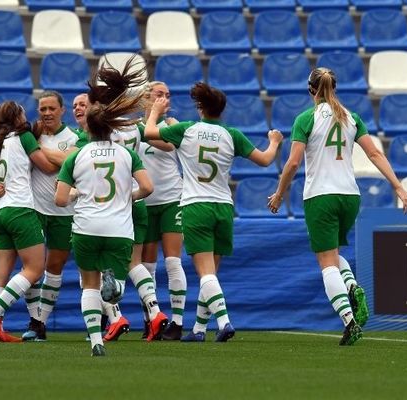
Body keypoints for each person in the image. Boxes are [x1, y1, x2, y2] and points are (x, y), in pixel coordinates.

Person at [267, 68, 407, 345]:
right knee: (333, 254)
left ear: (311, 89)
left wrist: (278, 194)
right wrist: (398, 185)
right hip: (350, 196)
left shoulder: (305, 119)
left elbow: (294, 163)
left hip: (321, 195)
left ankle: (349, 320)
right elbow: (373, 152)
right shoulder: (351, 117)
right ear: (334, 88)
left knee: (325, 262)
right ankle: (352, 286)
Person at [144, 82, 283, 342]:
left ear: (200, 108)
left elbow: (150, 132)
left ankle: (224, 321)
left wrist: (155, 111)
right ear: (221, 110)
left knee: (205, 273)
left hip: (196, 205)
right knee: (212, 274)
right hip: (224, 207)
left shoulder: (187, 130)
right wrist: (274, 142)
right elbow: (265, 159)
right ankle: (198, 329)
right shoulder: (232, 134)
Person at [55, 87, 153, 357]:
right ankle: (116, 287)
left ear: (89, 127)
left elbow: (60, 200)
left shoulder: (76, 156)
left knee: (89, 285)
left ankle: (96, 342)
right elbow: (147, 187)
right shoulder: (127, 155)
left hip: (86, 227)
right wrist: (126, 197)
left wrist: (78, 193)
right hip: (119, 228)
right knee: (116, 289)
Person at [87, 58, 172, 342]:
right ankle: (156, 311)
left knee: (101, 264)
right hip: (135, 202)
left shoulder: (101, 128)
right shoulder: (135, 128)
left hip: (107, 205)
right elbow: (166, 142)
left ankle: (114, 317)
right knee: (134, 263)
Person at [0, 101, 58, 343]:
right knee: (34, 270)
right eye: (23, 113)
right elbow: (45, 167)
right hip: (20, 210)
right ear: (17, 117)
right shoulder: (23, 137)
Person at [19, 91, 85, 341]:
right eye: (42, 109)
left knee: (54, 267)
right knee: (31, 267)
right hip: (34, 209)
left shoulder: (74, 137)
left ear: (62, 110)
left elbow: (71, 159)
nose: (46, 113)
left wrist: (35, 150)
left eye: (51, 109)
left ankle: (41, 322)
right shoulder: (29, 135)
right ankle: (35, 321)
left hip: (64, 211)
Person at [139, 81, 188, 340]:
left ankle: (177, 323)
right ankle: (151, 319)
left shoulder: (171, 125)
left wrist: (155, 116)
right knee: (146, 265)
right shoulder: (134, 128)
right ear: (146, 98)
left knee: (172, 261)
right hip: (145, 204)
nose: (165, 99)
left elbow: (166, 144)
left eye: (168, 95)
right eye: (159, 95)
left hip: (171, 199)